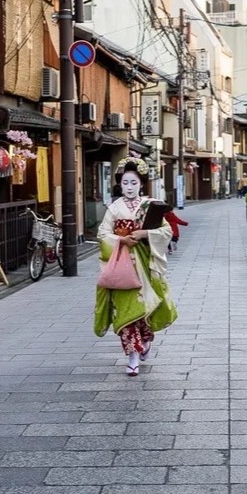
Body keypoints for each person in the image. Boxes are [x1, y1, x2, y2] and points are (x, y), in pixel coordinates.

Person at [94, 157, 178, 377]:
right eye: (125, 183)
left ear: (141, 184)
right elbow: (102, 234)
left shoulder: (150, 205)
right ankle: (132, 356)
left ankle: (146, 339)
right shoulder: (114, 208)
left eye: (133, 183)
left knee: (145, 310)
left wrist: (145, 233)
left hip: (145, 266)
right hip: (122, 266)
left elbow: (166, 231)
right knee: (125, 312)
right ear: (119, 184)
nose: (129, 187)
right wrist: (121, 240)